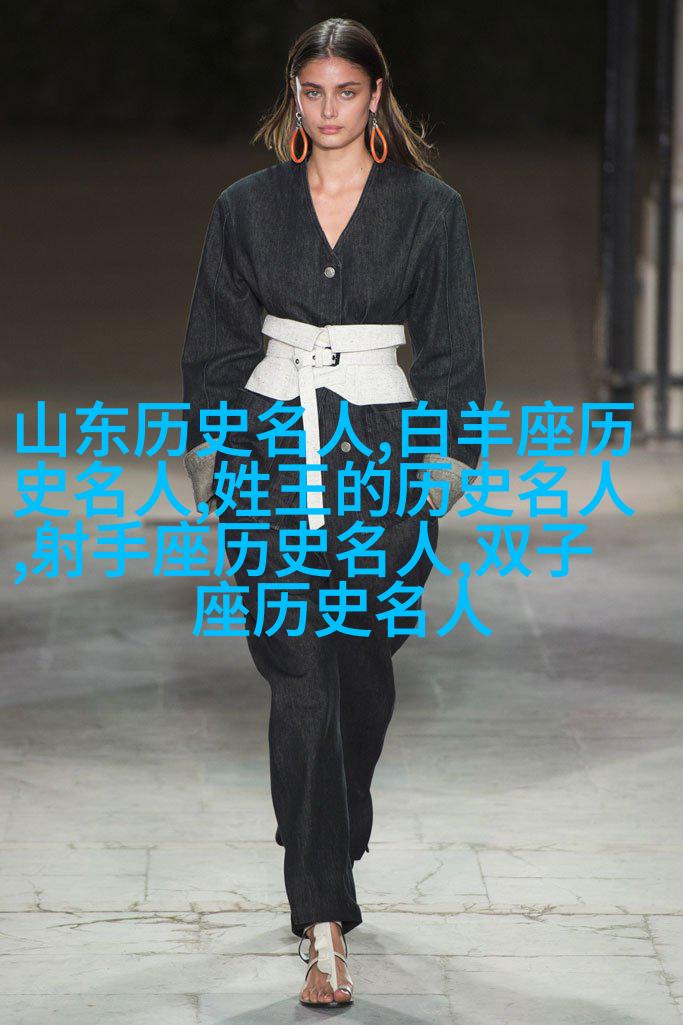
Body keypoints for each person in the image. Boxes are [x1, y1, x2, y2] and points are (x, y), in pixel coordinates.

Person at [180, 16, 486, 1008]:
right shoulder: (246, 206)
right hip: (268, 454)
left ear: (374, 95)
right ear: (293, 95)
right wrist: (208, 442)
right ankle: (322, 921)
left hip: (381, 459)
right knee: (299, 674)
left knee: (362, 667)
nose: (327, 110)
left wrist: (449, 451)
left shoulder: (429, 210)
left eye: (345, 92)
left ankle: (330, 821)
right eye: (311, 92)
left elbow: (451, 339)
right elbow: (218, 334)